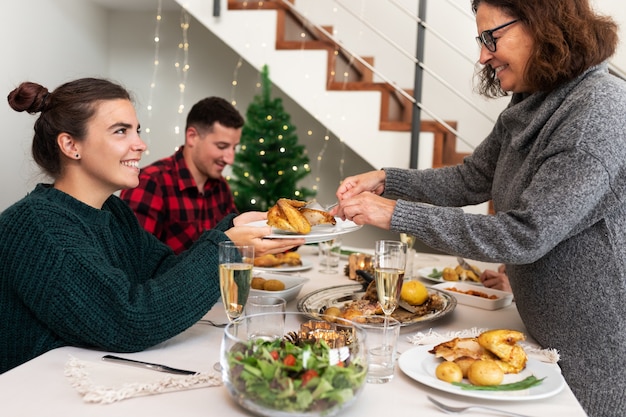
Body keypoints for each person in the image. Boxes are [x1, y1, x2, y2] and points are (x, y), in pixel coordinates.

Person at [329, 1, 626, 415]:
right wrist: (387, 179)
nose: (483, 55)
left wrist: (393, 213)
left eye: (492, 37)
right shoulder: (537, 96)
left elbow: (523, 234)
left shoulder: (597, 114)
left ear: (546, 26)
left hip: (595, 353)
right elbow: (473, 178)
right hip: (542, 335)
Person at [0, 78, 304, 374]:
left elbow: (164, 270)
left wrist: (233, 227)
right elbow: (130, 321)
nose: (141, 145)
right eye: (121, 131)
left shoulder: (112, 211)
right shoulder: (39, 228)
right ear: (70, 144)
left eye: (137, 131)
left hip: (86, 378)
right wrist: (228, 247)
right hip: (36, 396)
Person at [120, 97, 244, 254]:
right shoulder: (150, 183)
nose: (230, 159)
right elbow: (135, 261)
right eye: (222, 146)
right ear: (192, 136)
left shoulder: (221, 187)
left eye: (234, 148)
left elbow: (234, 246)